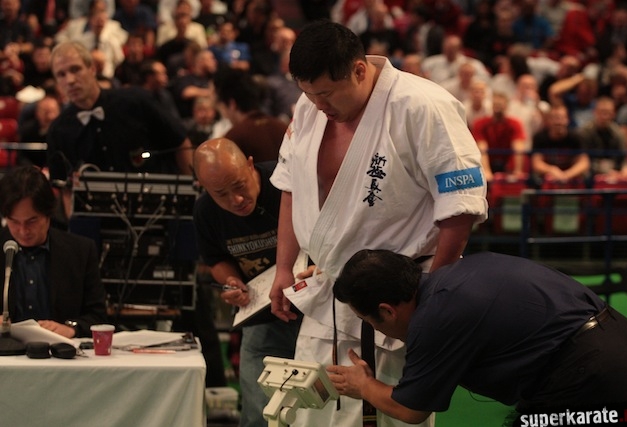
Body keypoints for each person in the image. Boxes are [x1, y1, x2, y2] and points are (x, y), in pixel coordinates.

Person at [268, 20, 487, 427]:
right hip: (326, 294)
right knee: (307, 414)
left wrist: (431, 296)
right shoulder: (309, 106)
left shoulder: (422, 106)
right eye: (309, 93)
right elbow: (290, 186)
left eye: (326, 93)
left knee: (390, 417)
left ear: (359, 70)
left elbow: (461, 205)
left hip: (394, 302)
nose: (317, 104)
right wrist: (283, 267)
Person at [329, 249, 627, 422]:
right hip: (622, 342)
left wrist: (363, 384)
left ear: (386, 311)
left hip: (589, 375)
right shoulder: (458, 275)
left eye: (366, 320)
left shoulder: (434, 318)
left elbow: (410, 408)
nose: (374, 329)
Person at [192, 138, 302, 427]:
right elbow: (215, 259)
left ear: (250, 165)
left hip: (312, 305)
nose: (236, 200)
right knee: (258, 412)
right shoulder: (205, 212)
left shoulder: (285, 183)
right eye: (221, 194)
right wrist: (231, 281)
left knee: (314, 410)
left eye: (239, 185)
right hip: (261, 311)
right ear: (205, 188)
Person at [46, 41, 193, 186]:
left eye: (75, 69)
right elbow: (62, 186)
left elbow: (180, 142)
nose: (70, 80)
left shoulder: (135, 100)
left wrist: (190, 191)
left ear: (92, 69)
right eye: (61, 74)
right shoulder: (58, 130)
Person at [0, 166, 107, 338]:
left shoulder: (80, 251)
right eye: (14, 222)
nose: (23, 231)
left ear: (48, 214)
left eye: (31, 221)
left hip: (59, 349)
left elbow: (98, 317)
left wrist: (71, 328)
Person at [215, 68, 287, 163]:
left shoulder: (233, 137)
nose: (224, 114)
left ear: (232, 104)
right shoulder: (282, 128)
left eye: (222, 107)